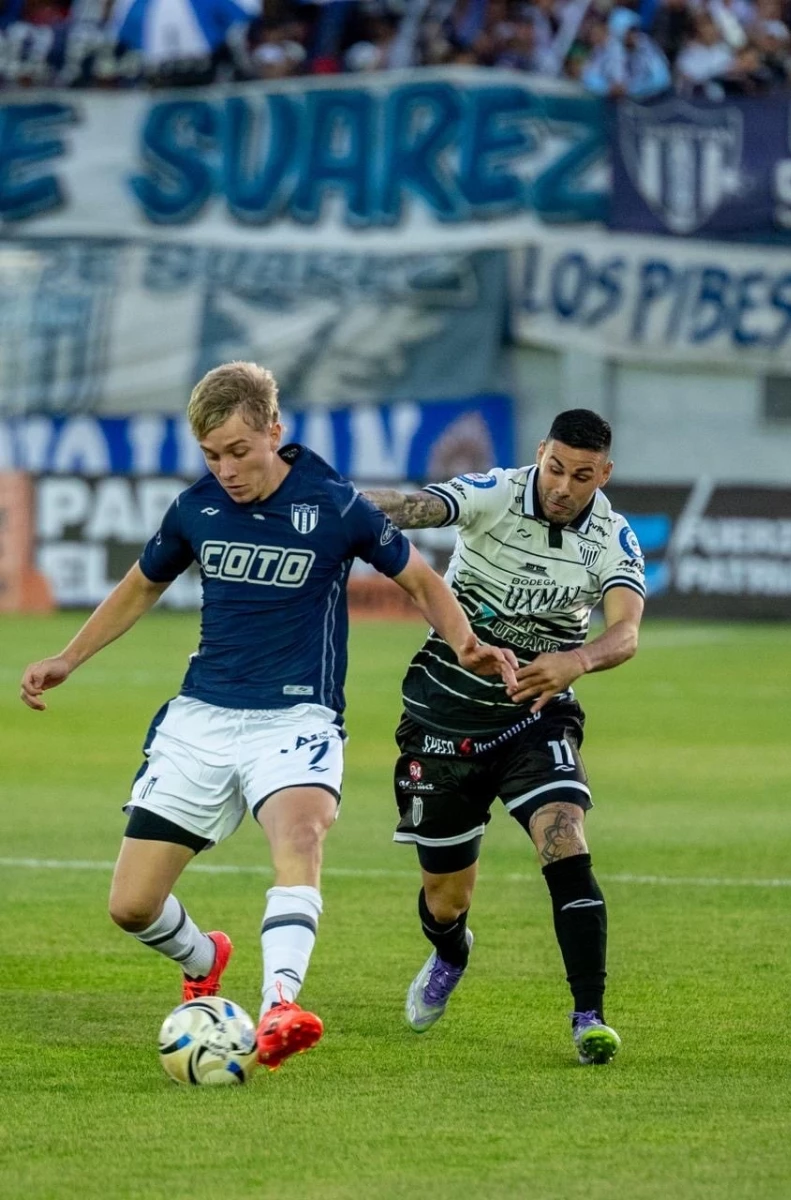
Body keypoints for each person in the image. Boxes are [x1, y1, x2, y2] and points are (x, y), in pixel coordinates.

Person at [19, 360, 515, 1072]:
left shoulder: (335, 503)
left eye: (238, 451)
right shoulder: (196, 508)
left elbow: (419, 577)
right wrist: (69, 657)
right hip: (201, 720)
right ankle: (205, 955)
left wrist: (466, 643)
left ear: (274, 432)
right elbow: (138, 586)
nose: (226, 468)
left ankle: (282, 1004)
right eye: (212, 455)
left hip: (296, 720)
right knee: (131, 906)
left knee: (300, 836)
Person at [364, 408, 645, 1065]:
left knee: (564, 839)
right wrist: (339, 504)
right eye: (554, 468)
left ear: (602, 474)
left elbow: (625, 632)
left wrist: (576, 661)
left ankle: (589, 1017)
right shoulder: (494, 493)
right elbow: (415, 507)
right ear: (539, 454)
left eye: (581, 476)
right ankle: (450, 951)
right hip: (443, 720)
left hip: (534, 718)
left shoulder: (611, 536)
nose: (563, 486)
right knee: (446, 897)